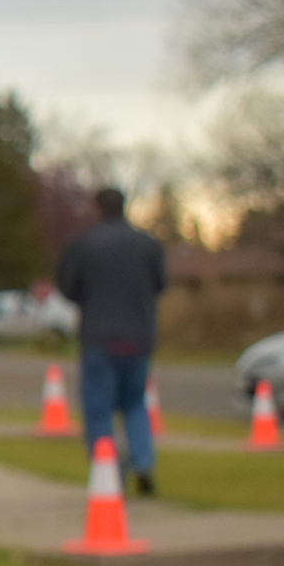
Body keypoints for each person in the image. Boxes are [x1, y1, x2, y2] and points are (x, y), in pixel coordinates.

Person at [56, 187, 168, 495]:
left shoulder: (84, 245)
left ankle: (107, 469)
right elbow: (161, 284)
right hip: (138, 336)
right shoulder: (147, 244)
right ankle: (143, 463)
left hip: (99, 337)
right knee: (135, 404)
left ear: (97, 208)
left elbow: (68, 287)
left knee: (98, 408)